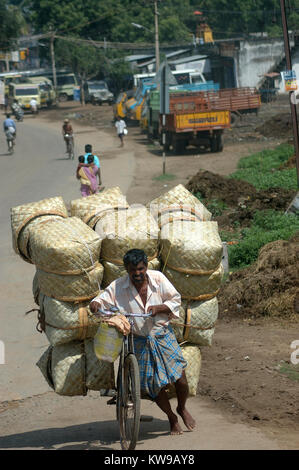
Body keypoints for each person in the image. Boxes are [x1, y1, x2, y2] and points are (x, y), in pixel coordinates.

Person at [90, 248, 196, 435]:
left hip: (162, 334)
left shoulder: (158, 279)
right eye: (133, 270)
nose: (137, 273)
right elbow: (101, 300)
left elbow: (175, 299)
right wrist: (96, 304)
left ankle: (182, 407)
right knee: (153, 386)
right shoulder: (118, 286)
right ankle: (171, 416)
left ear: (146, 266)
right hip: (138, 340)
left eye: (140, 269)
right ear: (126, 269)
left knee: (181, 379)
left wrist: (160, 307)